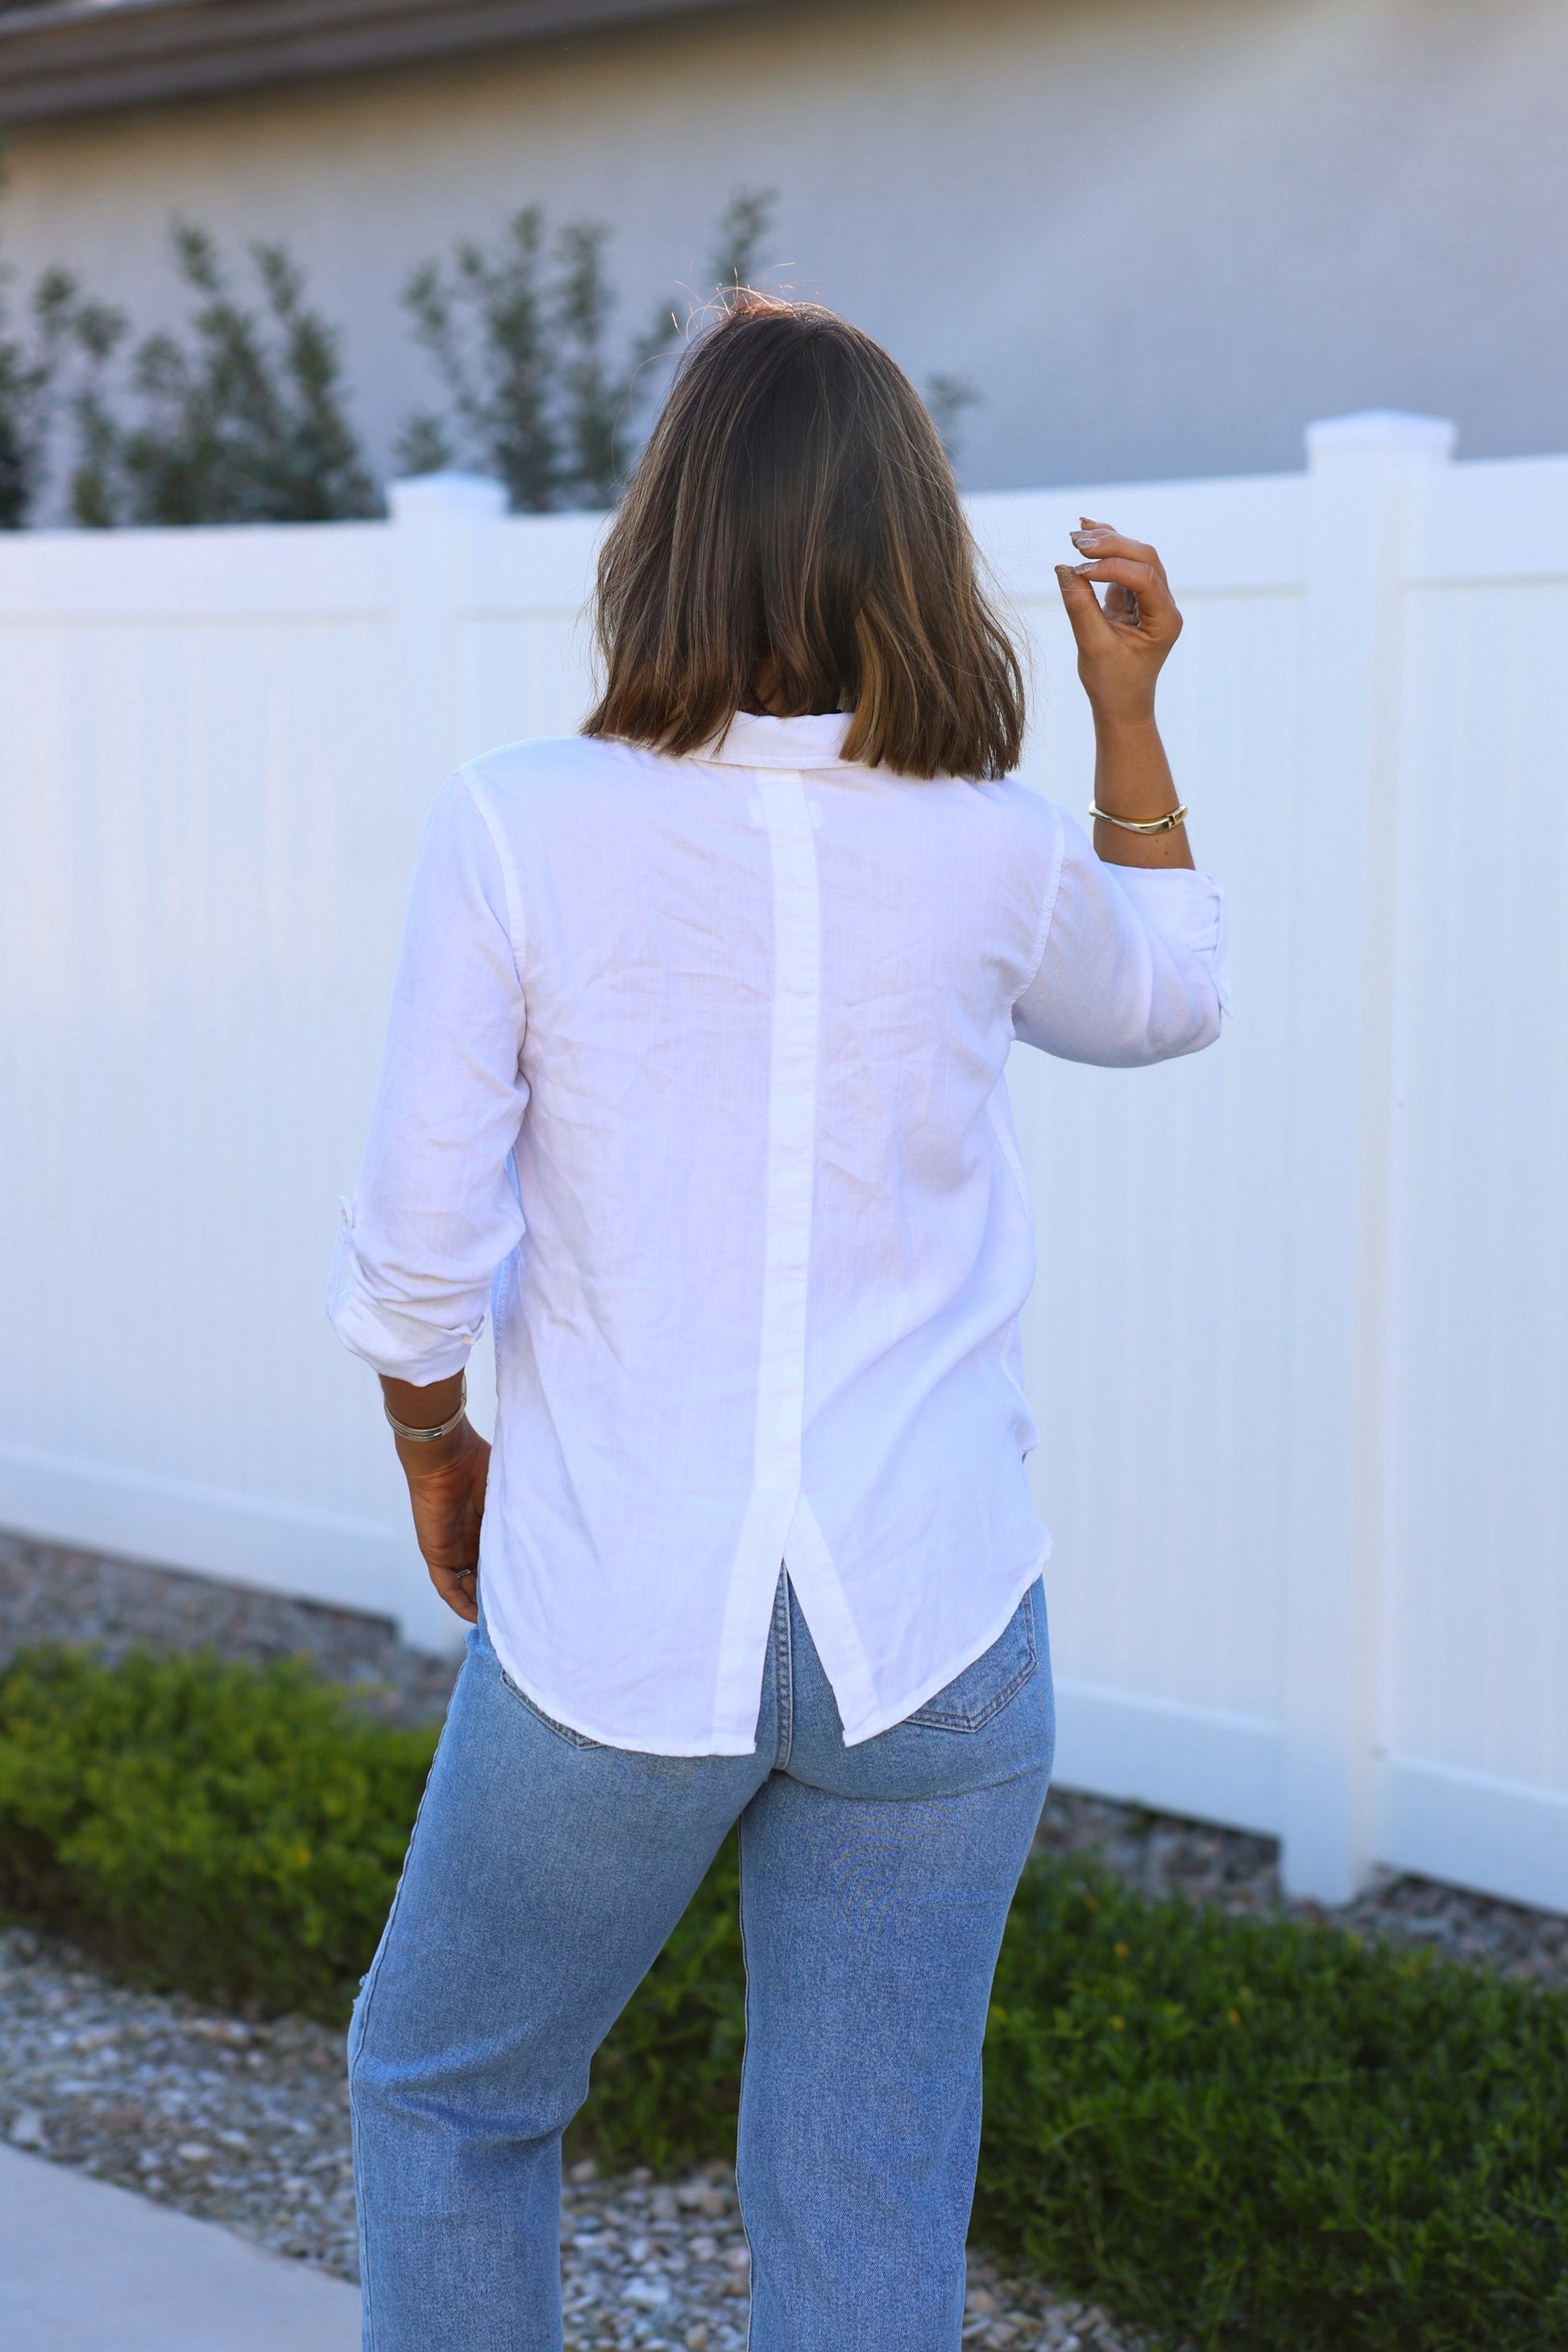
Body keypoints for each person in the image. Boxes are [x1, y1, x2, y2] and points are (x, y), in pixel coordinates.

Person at [328, 292, 1228, 2352]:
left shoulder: (520, 821)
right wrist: (1129, 707)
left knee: (449, 2085)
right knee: (865, 2185)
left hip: (618, 1611)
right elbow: (1172, 995)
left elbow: (412, 1249)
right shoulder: (992, 848)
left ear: (663, 536)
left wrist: (434, 1449)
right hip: (938, 1623)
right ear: (914, 552)